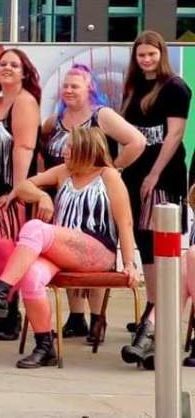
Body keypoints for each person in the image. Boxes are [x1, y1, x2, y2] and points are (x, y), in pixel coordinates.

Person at [0, 127, 140, 368]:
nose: (63, 151)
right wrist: (42, 197)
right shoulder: (64, 172)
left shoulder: (108, 176)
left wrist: (129, 264)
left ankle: (0, 291)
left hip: (98, 251)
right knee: (31, 275)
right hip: (64, 250)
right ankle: (44, 345)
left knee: (36, 228)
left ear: (86, 150)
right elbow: (23, 186)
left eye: (70, 147)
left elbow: (125, 223)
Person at [39, 63, 145, 343]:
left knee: (94, 254)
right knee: (67, 256)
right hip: (63, 192)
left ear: (90, 89)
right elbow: (41, 144)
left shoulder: (102, 115)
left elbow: (137, 141)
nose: (69, 90)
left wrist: (113, 169)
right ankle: (76, 319)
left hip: (96, 196)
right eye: (65, 85)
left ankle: (98, 318)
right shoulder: (55, 119)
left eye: (75, 86)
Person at [117, 31, 191, 368]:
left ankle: (158, 319)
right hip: (133, 173)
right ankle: (152, 307)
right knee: (144, 242)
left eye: (151, 54)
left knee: (161, 242)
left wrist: (154, 174)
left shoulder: (175, 87)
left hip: (164, 175)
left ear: (161, 54)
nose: (146, 60)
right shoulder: (133, 88)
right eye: (141, 55)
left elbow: (174, 135)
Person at [0, 48, 42, 342]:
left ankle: (12, 313)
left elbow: (24, 147)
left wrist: (18, 189)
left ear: (25, 73)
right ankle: (6, 312)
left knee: (5, 246)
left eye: (15, 64)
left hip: (10, 186)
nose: (8, 68)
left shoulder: (24, 101)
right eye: (3, 64)